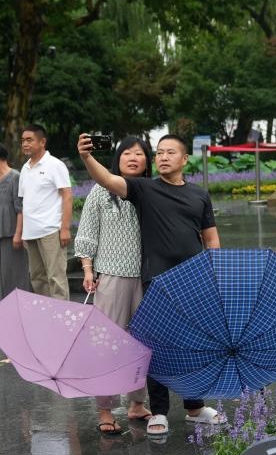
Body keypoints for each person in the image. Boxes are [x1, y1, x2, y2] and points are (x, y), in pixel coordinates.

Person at [78, 132, 225, 437]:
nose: (162, 157)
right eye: (159, 152)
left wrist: (215, 272)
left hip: (183, 280)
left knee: (175, 345)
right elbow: (106, 183)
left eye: (168, 152)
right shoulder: (141, 188)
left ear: (185, 159)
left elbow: (210, 237)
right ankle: (131, 409)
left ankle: (168, 405)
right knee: (124, 344)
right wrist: (86, 157)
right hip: (133, 279)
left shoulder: (196, 194)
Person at [75, 136, 154, 435]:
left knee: (141, 344)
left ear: (148, 160)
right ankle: (105, 409)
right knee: (106, 344)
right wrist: (87, 268)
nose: (133, 157)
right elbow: (87, 233)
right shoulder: (101, 192)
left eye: (140, 153)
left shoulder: (151, 191)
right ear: (117, 159)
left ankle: (136, 403)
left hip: (145, 278)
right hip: (111, 277)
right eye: (127, 153)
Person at [18, 124, 73, 300]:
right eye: (23, 140)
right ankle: (47, 318)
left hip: (51, 230)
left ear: (42, 142)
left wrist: (64, 228)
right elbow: (24, 202)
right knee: (37, 279)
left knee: (56, 278)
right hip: (31, 233)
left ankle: (63, 322)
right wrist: (21, 233)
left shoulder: (55, 165)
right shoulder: (25, 168)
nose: (25, 144)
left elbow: (67, 196)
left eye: (29, 140)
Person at [0, 141, 30, 306]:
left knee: (14, 276)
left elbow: (20, 208)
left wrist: (18, 234)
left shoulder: (15, 177)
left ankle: (18, 313)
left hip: (11, 236)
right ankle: (0, 318)